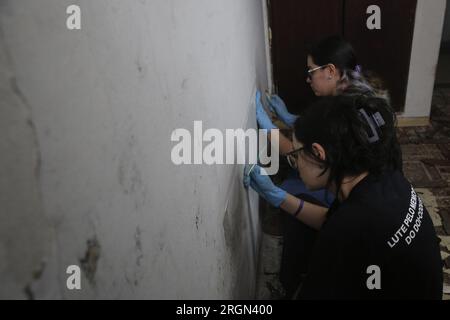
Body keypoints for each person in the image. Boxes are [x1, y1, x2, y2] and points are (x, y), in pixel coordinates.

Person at [245, 95, 443, 299]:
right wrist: (276, 196)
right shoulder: (380, 173)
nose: (294, 161)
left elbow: (338, 232)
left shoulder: (349, 225)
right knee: (299, 214)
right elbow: (329, 219)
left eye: (295, 155)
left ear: (318, 153)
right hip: (401, 284)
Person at [254, 35, 401, 296]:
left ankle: (289, 285)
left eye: (311, 72)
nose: (308, 79)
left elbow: (309, 153)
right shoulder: (354, 92)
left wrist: (270, 131)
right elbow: (320, 141)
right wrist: (290, 121)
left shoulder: (352, 214)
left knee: (294, 186)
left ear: (331, 71)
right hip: (383, 187)